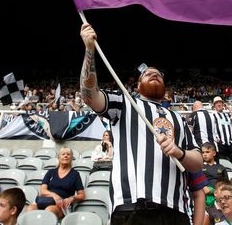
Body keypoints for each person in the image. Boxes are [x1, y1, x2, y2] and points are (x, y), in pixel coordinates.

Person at [80, 23, 203, 225]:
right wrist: (89, 50)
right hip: (132, 208)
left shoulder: (179, 117)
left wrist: (178, 152)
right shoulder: (125, 103)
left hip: (175, 211)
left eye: (159, 75)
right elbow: (89, 95)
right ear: (138, 85)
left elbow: (197, 161)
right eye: (148, 74)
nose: (154, 74)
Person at [28, 147, 85, 219]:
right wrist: (55, 196)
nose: (65, 156)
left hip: (61, 205)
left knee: (49, 210)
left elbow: (82, 195)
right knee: (30, 208)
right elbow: (42, 191)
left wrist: (72, 198)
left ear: (71, 158)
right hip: (45, 201)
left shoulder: (75, 174)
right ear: (59, 157)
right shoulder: (51, 172)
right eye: (63, 154)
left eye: (68, 154)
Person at [211, 96, 232, 162]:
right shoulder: (212, 115)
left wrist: (228, 108)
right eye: (217, 103)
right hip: (220, 144)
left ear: (223, 104)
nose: (219, 104)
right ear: (214, 106)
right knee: (223, 163)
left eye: (220, 103)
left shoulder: (227, 115)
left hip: (230, 143)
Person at [201, 142, 229, 207]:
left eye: (207, 152)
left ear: (214, 153)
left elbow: (227, 185)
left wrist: (217, 192)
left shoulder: (221, 167)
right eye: (203, 152)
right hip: (205, 197)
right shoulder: (199, 167)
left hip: (221, 197)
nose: (205, 154)